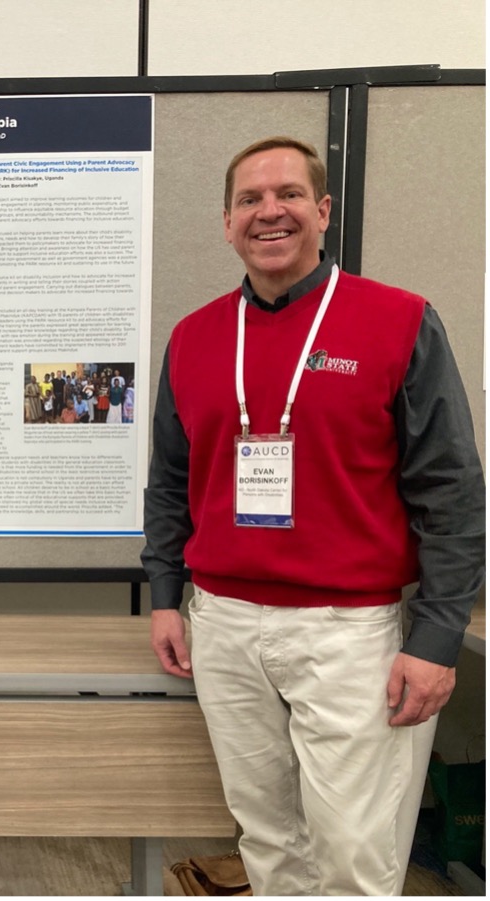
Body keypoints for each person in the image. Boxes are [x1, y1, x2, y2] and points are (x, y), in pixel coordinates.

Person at [142, 137, 485, 896]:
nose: (271, 211)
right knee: (266, 835)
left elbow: (453, 492)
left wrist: (435, 639)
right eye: (250, 199)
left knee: (354, 851)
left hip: (348, 630)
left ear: (323, 211)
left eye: (290, 194)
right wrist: (167, 594)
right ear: (226, 221)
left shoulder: (398, 322)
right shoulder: (195, 337)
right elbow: (170, 483)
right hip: (224, 623)